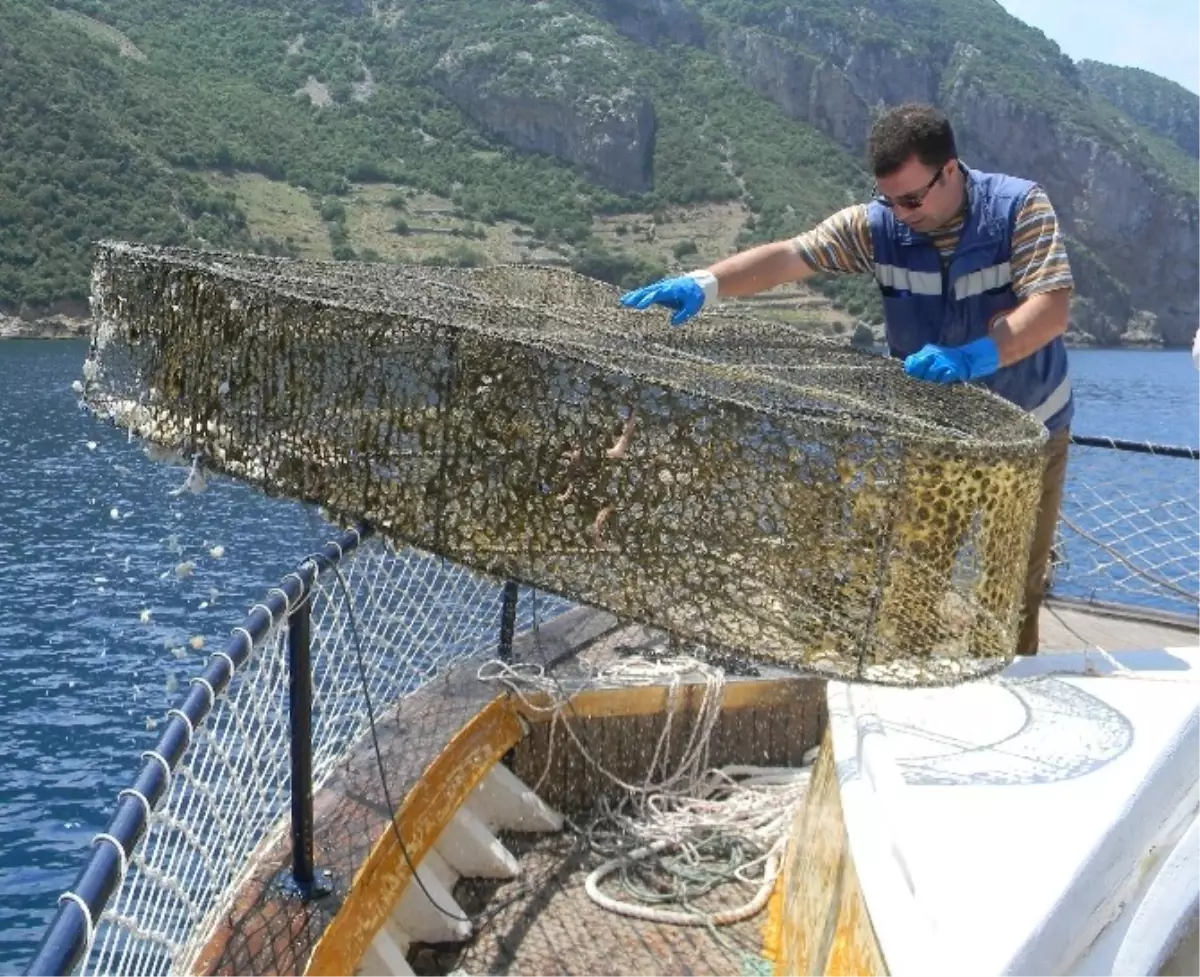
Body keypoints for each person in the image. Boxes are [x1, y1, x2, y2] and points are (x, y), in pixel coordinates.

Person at [619, 102, 1074, 656]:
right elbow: (791, 255)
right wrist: (705, 282)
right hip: (936, 436)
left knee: (1010, 592)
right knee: (912, 586)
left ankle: (1007, 686)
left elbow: (1050, 309)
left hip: (1030, 433)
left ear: (950, 170)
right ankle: (910, 689)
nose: (901, 212)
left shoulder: (1020, 208)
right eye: (890, 199)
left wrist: (975, 358)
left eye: (912, 198)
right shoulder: (878, 225)